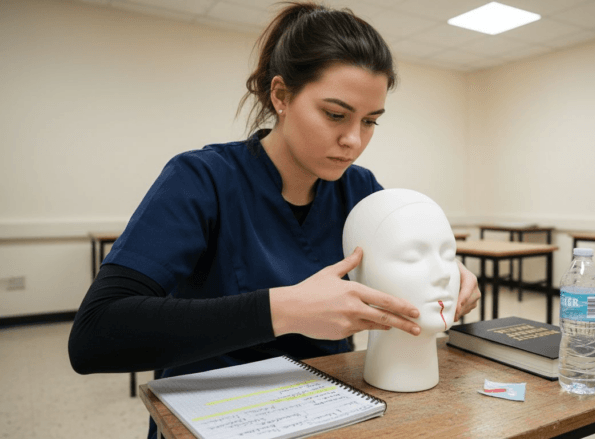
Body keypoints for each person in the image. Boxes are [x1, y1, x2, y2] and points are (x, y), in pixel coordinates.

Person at [68, 2, 480, 436]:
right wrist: (283, 310)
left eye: (371, 121)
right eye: (335, 115)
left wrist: (449, 271)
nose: (353, 140)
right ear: (281, 96)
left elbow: (412, 257)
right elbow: (95, 336)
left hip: (329, 409)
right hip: (211, 417)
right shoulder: (202, 179)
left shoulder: (360, 190)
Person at [342, 188, 461, 392]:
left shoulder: (360, 183)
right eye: (413, 257)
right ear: (357, 272)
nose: (444, 274)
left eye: (448, 255)